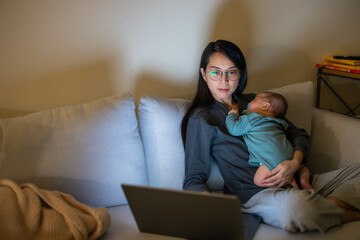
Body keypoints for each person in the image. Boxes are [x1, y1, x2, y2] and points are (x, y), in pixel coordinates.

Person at [181, 39, 360, 233]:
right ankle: (341, 210)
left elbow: (298, 134)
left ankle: (323, 205)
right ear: (204, 74)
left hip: (297, 180)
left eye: (231, 72)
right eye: (215, 72)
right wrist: (213, 208)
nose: (224, 81)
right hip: (258, 195)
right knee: (296, 208)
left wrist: (294, 163)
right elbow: (194, 178)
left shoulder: (255, 102)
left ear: (240, 74)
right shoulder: (202, 118)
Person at [226, 91, 298, 188]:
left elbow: (234, 129)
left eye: (254, 100)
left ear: (266, 106)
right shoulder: (277, 122)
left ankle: (287, 185)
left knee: (258, 180)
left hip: (272, 157)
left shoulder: (252, 118)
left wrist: (233, 114)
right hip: (289, 153)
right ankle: (300, 177)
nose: (250, 102)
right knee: (294, 170)